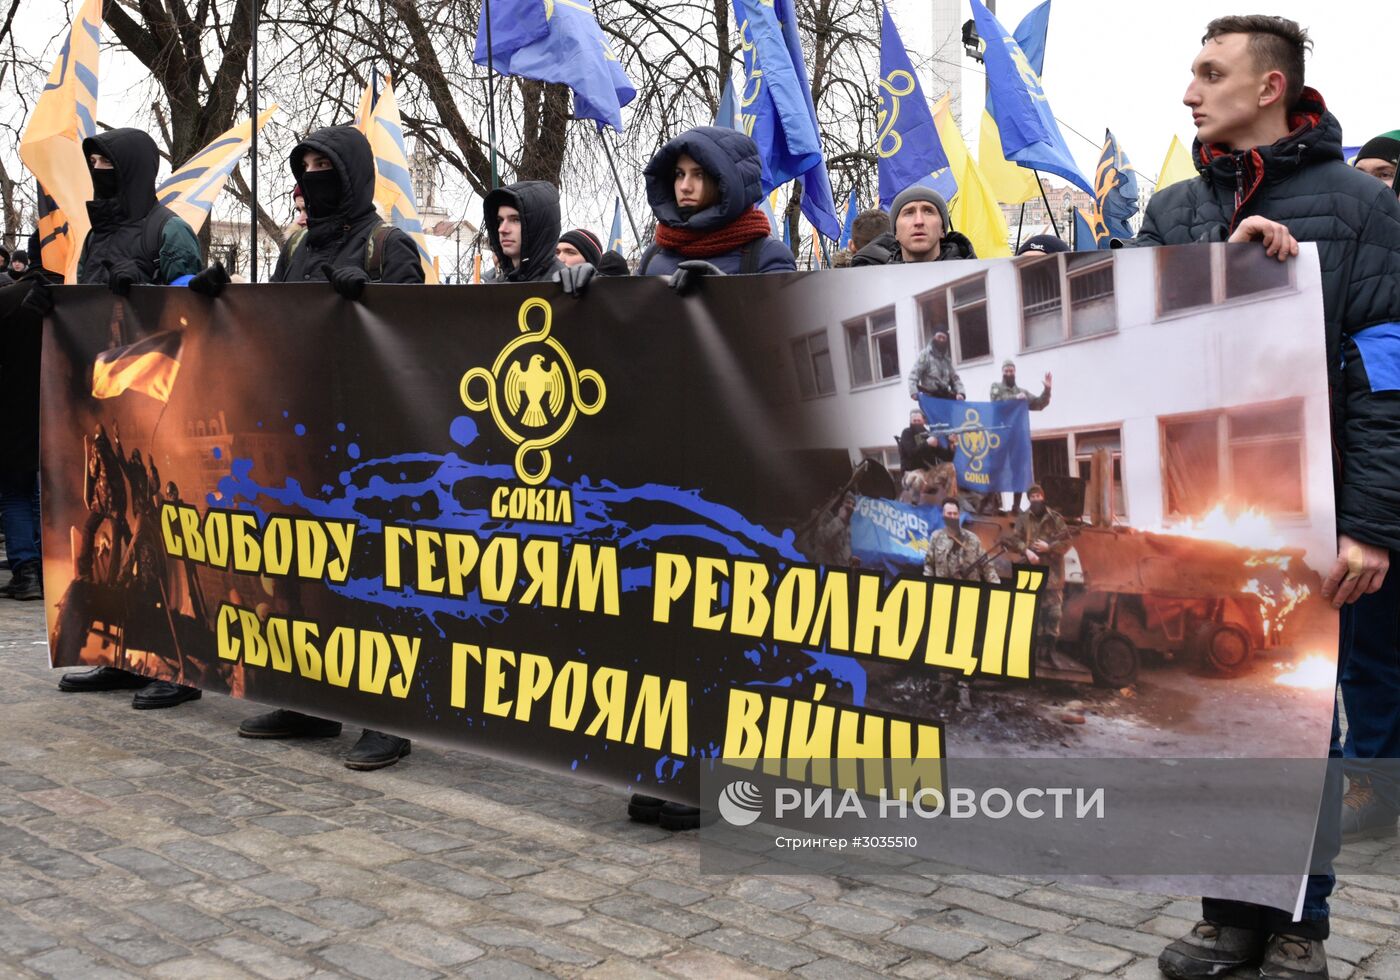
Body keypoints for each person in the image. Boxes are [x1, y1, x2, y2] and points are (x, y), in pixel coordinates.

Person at [1133, 16, 1400, 980]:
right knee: (1216, 709)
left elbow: (1386, 379)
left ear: (1271, 85)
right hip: (1203, 513)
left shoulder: (1360, 208)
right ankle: (1225, 916)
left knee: (1300, 725)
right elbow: (1146, 351)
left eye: (1211, 71)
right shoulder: (1169, 211)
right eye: (1191, 69)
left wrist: (1372, 527)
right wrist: (1232, 285)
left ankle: (1301, 924)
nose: (1191, 89)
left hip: (1316, 516)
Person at [264, 126, 423, 294]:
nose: (309, 174)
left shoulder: (392, 245)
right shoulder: (296, 245)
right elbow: (270, 312)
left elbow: (411, 316)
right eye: (305, 166)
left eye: (322, 163)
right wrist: (235, 296)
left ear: (350, 173)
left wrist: (369, 293)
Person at [636, 126, 795, 290]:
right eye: (680, 174)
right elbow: (633, 316)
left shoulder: (767, 255)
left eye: (698, 175)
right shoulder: (654, 253)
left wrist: (723, 291)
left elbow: (783, 315)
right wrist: (614, 293)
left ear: (725, 183)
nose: (684, 186)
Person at [75, 129, 202, 289]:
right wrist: (51, 303)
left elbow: (187, 304)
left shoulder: (170, 230)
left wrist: (142, 286)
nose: (96, 169)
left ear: (132, 168)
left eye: (106, 161)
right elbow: (82, 303)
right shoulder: (95, 235)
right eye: (93, 162)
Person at [0, 234, 55, 601]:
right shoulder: (75, 298)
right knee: (39, 492)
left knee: (16, 492)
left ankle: (27, 569)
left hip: (12, 411)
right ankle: (46, 566)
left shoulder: (8, 299)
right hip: (59, 410)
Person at [1007, 485, 1069, 661]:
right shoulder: (1023, 518)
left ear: (1043, 496)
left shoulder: (1055, 518)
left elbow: (1066, 542)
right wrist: (1026, 551)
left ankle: (1050, 652)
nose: (1035, 499)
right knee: (1035, 613)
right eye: (1032, 496)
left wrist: (1049, 547)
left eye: (1038, 495)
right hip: (1032, 571)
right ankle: (1035, 652)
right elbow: (1015, 539)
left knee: (1054, 614)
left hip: (1053, 573)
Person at [852, 187, 975, 266]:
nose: (919, 221)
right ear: (895, 233)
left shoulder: (976, 281)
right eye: (909, 213)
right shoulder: (874, 287)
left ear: (943, 229)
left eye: (928, 211)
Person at [483, 180, 566, 284]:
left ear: (538, 224)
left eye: (516, 219)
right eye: (500, 220)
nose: (502, 229)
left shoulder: (567, 286)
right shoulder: (492, 289)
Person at [924, 498, 998, 583]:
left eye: (955, 514)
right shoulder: (936, 537)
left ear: (959, 515)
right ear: (943, 515)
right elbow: (929, 565)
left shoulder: (972, 539)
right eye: (949, 513)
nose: (952, 517)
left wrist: (995, 584)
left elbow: (987, 566)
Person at [907, 330, 964, 401]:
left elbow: (955, 379)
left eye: (944, 338)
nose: (941, 340)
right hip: (930, 399)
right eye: (939, 337)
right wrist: (913, 392)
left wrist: (960, 393)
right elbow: (913, 375)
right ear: (934, 337)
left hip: (945, 399)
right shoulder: (925, 355)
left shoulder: (947, 360)